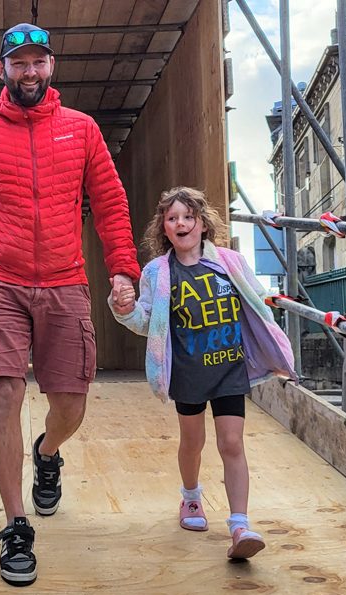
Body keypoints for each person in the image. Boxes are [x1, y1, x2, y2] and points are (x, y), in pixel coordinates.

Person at [0, 23, 140, 586]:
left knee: (71, 404)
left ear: (51, 67)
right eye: (19, 62)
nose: (29, 71)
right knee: (4, 392)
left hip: (66, 282)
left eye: (38, 61)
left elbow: (110, 203)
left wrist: (123, 270)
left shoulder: (83, 131)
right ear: (2, 70)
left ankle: (48, 451)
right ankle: (16, 524)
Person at [109, 187, 297, 560]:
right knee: (192, 443)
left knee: (231, 443)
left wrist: (270, 342)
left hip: (229, 367)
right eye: (172, 218)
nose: (181, 223)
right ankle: (191, 498)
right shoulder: (157, 273)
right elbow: (147, 321)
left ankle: (240, 525)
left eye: (188, 216)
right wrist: (123, 309)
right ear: (164, 228)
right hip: (188, 372)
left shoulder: (229, 262)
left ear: (202, 223)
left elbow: (256, 304)